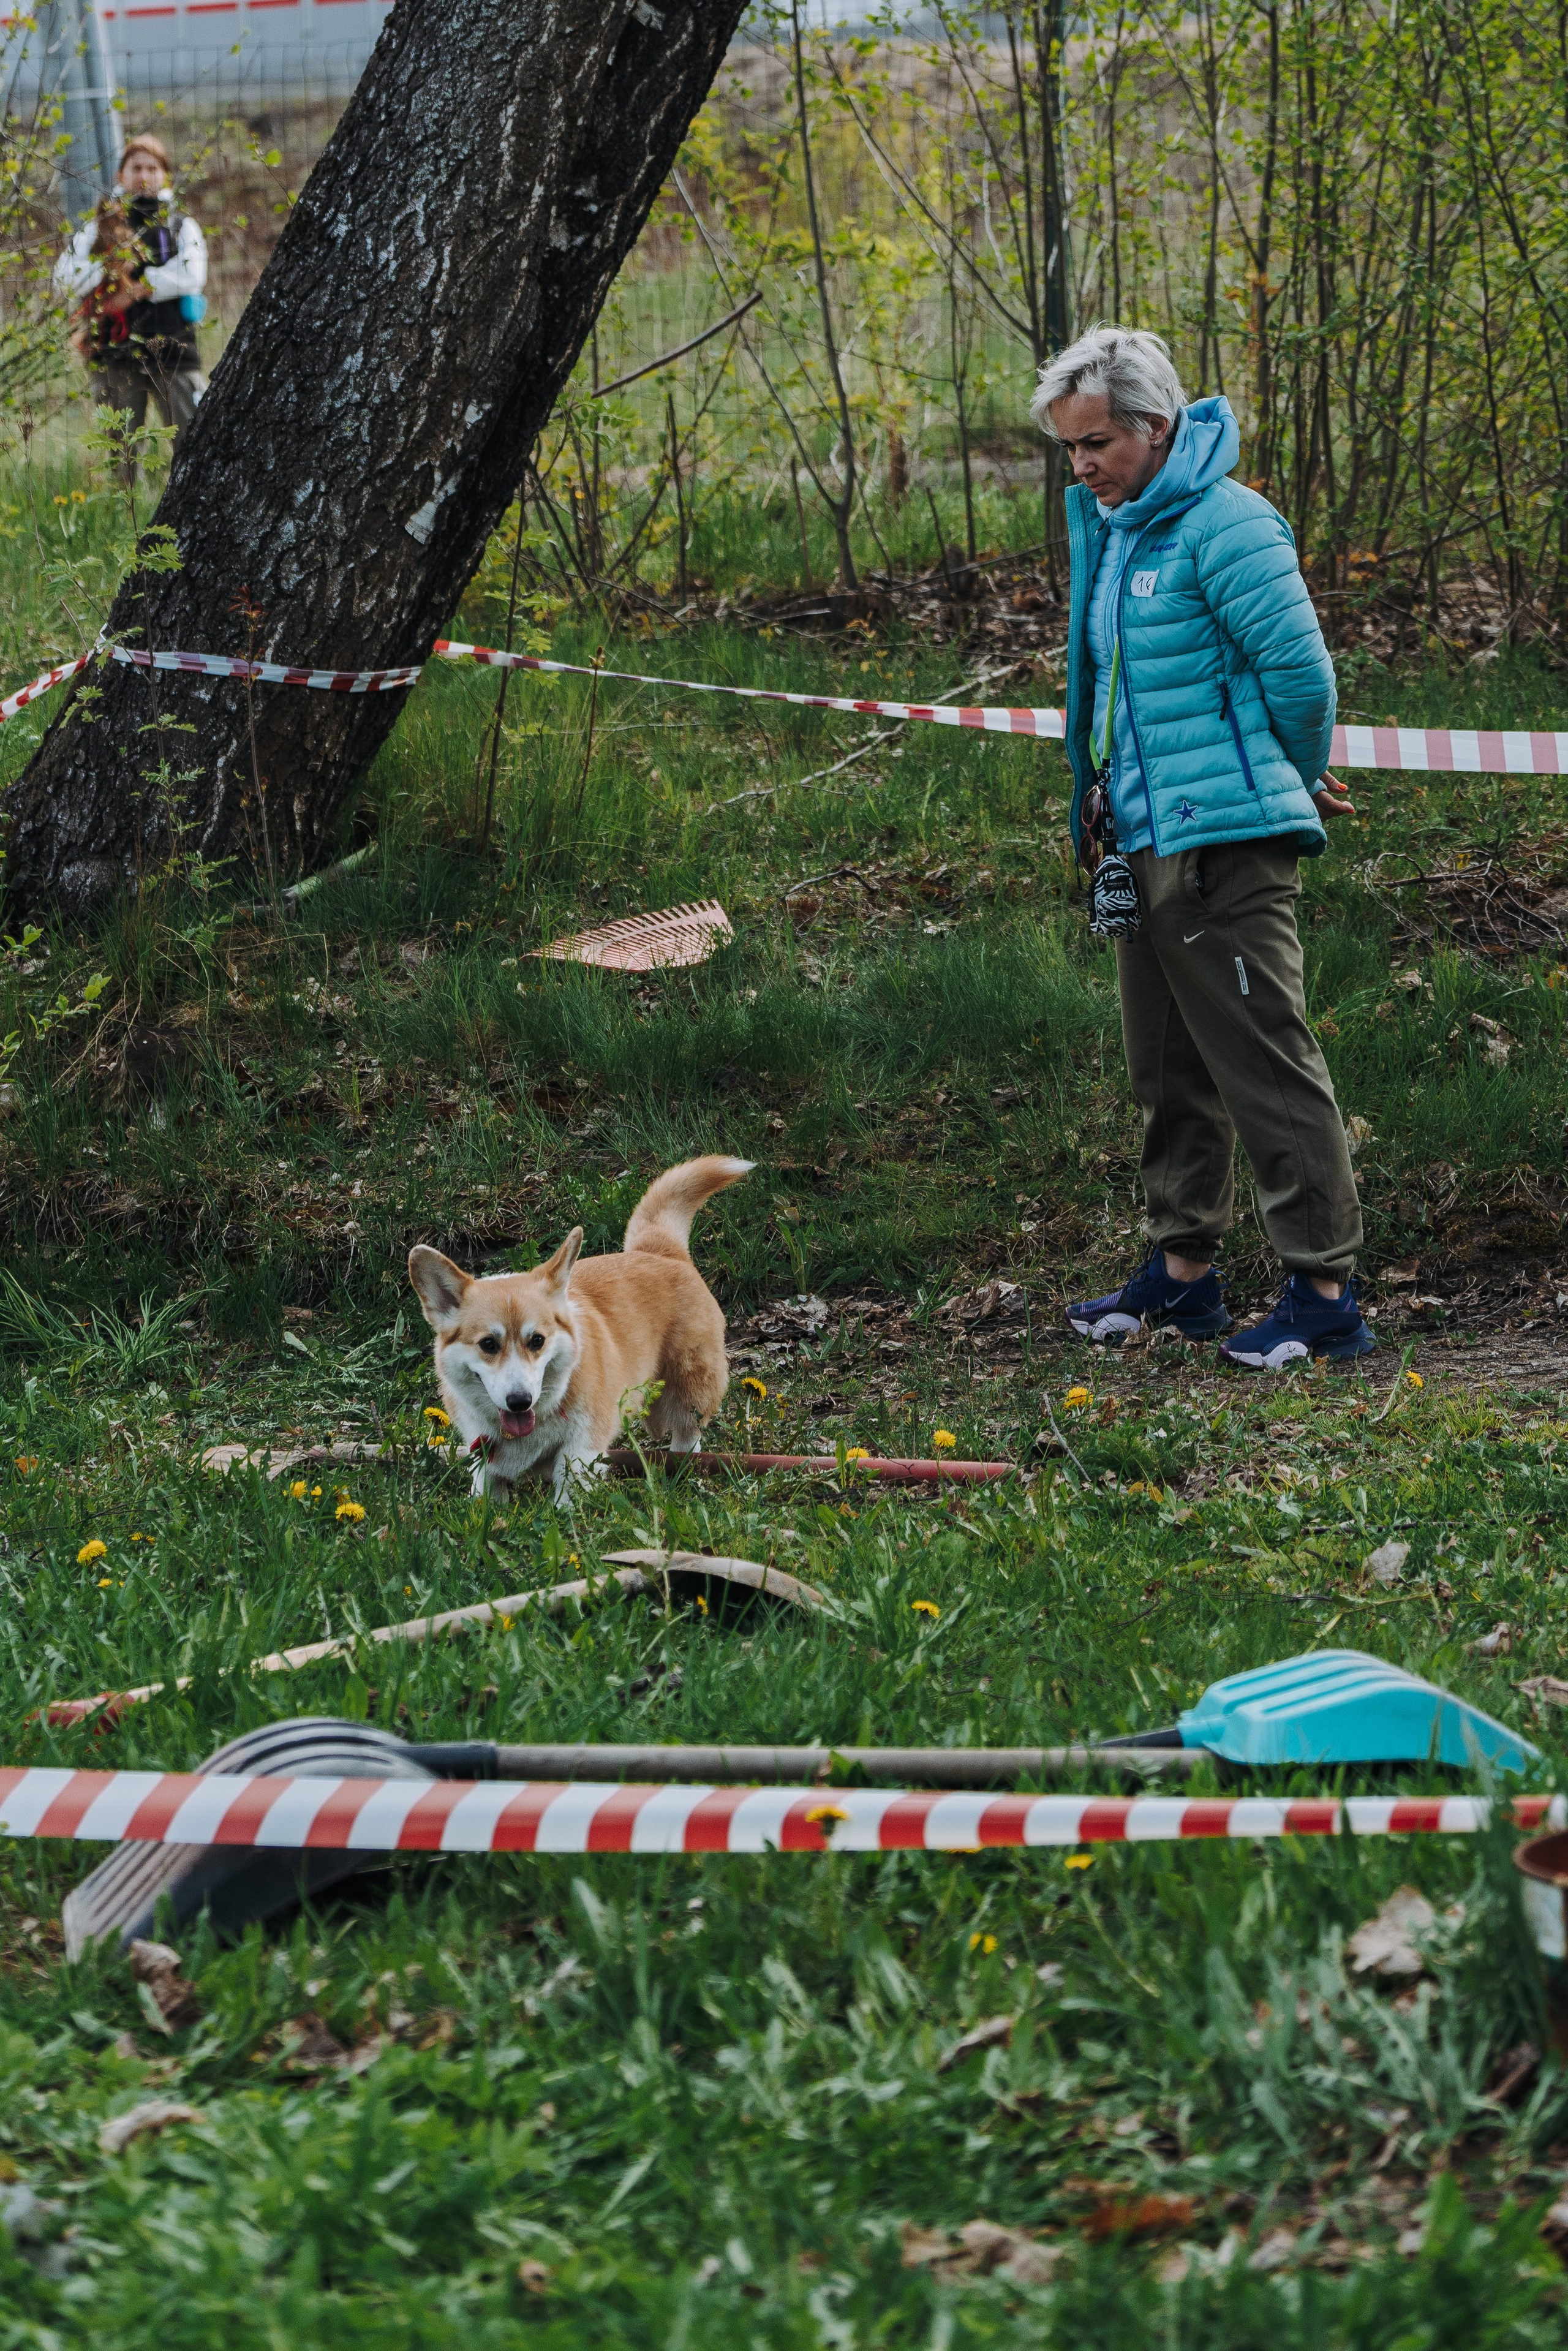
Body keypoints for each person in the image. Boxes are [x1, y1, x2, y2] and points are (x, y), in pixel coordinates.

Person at [1033, 325, 1373, 1369]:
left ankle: (1323, 1292)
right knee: (1167, 1066)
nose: (1082, 465)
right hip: (1135, 842)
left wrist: (1286, 764)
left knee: (1266, 1063)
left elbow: (1302, 676)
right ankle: (1185, 1278)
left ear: (1156, 425)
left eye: (1095, 443)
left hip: (1225, 841)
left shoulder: (1232, 524)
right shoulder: (1118, 527)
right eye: (1069, 448)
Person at [55, 134, 208, 467]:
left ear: (164, 174)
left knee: (194, 445)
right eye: (136, 167)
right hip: (115, 356)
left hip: (174, 353)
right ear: (120, 175)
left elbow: (193, 275)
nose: (144, 176)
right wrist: (109, 271)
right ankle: (125, 517)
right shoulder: (96, 226)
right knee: (121, 456)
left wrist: (138, 289)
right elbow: (65, 276)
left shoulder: (180, 225)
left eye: (152, 168)